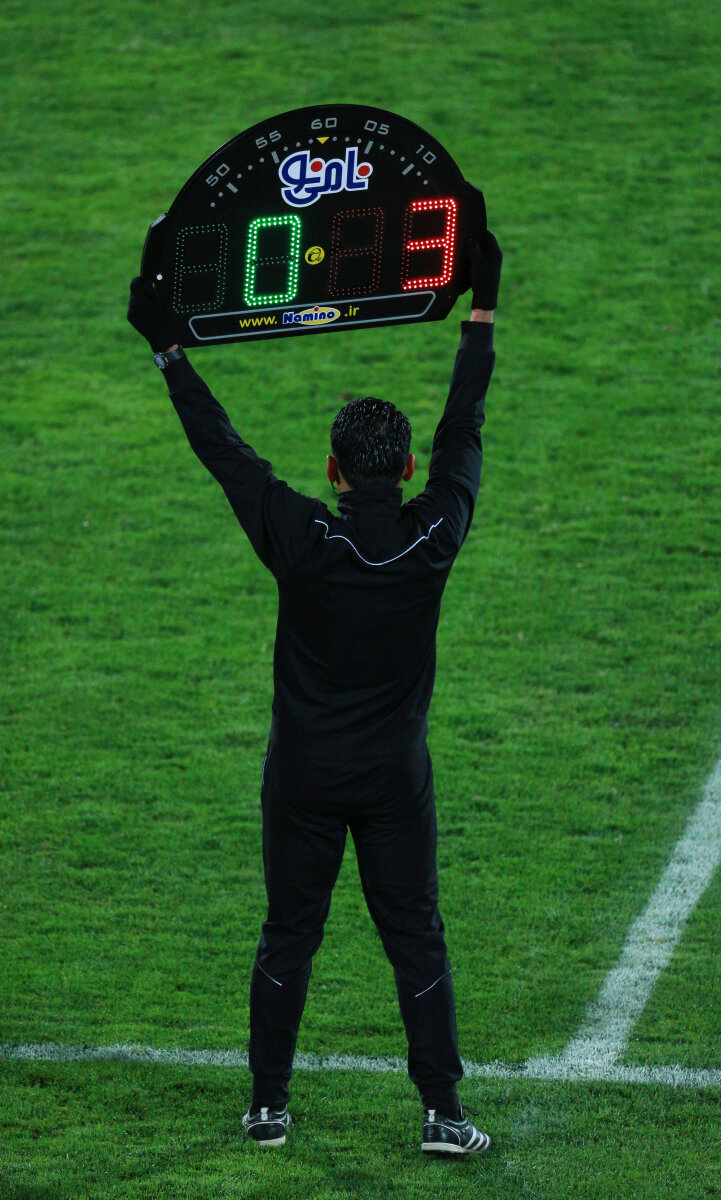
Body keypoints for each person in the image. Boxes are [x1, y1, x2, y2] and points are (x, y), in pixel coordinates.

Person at [126, 229, 502, 1155]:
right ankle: (444, 1114)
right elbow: (464, 430)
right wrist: (482, 314)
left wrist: (169, 348)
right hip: (394, 780)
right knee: (414, 934)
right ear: (405, 470)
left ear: (334, 471)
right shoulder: (434, 537)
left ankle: (267, 1107)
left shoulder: (301, 538)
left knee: (290, 931)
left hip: (301, 777)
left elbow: (223, 450)